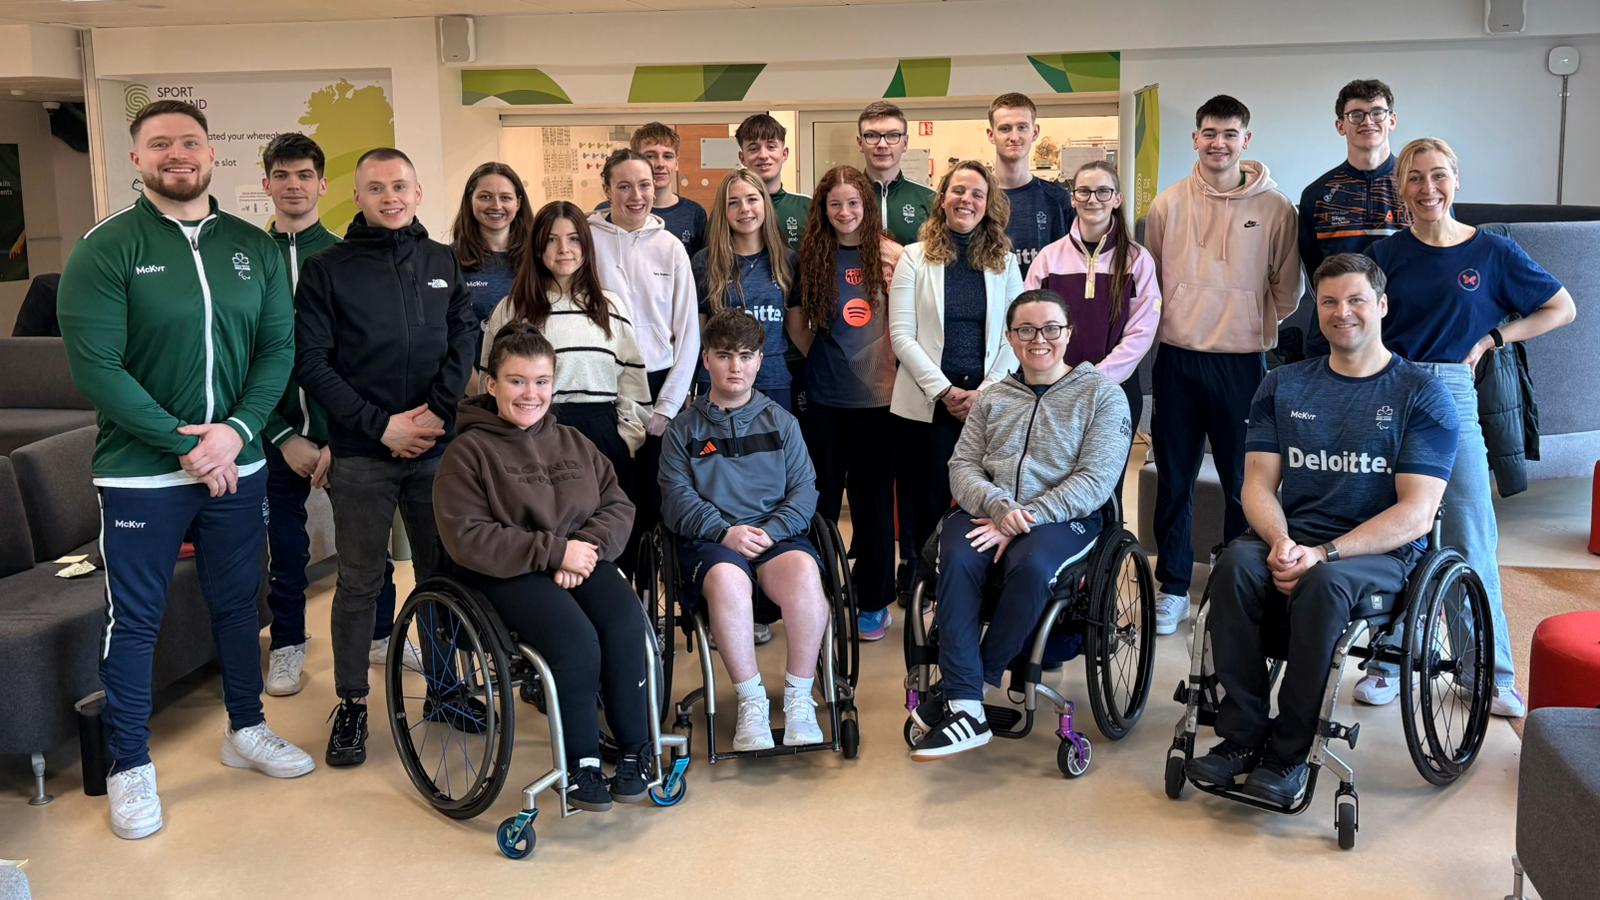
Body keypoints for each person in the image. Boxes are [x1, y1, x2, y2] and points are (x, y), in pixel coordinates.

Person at [58, 100, 315, 840]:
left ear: (211, 154)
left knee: (237, 604)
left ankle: (246, 728)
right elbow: (96, 367)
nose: (178, 153)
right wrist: (181, 443)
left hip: (238, 463)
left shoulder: (252, 247)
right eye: (161, 143)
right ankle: (129, 765)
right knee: (136, 619)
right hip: (141, 473)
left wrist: (234, 434)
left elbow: (277, 351)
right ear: (136, 159)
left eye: (191, 142)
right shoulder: (106, 248)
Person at [1187, 253, 1459, 805]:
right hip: (1296, 534)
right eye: (1329, 302)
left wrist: (1324, 553)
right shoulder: (1282, 385)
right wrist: (1282, 542)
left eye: (1356, 300)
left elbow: (1417, 512)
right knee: (1234, 565)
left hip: (1379, 552)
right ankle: (1241, 737)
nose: (1342, 312)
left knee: (1323, 584)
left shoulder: (1421, 393)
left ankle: (1290, 751)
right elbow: (1257, 485)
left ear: (1382, 306)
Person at [1359, 138, 1576, 717]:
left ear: (1456, 179)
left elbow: (1562, 307)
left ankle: (1488, 673)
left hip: (1454, 391)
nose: (1427, 188)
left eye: (1438, 175)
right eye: (1415, 178)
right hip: (1389, 390)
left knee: (1469, 531)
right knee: (1390, 531)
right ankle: (1387, 660)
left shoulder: (1493, 251)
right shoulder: (1384, 255)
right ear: (1401, 188)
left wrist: (1492, 339)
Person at [294, 147, 478, 768]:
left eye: (400, 186)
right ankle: (352, 704)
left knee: (440, 574)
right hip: (362, 453)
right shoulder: (327, 269)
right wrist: (382, 427)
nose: (390, 197)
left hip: (434, 448)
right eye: (376, 188)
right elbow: (311, 362)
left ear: (418, 193)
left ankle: (445, 690)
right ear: (358, 197)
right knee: (360, 582)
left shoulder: (441, 260)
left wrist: (437, 414)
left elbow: (464, 336)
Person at [434, 323, 653, 811]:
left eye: (541, 381)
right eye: (516, 381)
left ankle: (635, 750)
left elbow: (618, 505)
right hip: (508, 573)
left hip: (580, 558)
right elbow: (468, 537)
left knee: (624, 621)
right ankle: (582, 765)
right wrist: (555, 553)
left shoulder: (573, 442)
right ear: (491, 384)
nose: (530, 394)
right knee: (575, 639)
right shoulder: (468, 452)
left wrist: (584, 547)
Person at [909, 289, 1129, 760]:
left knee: (1031, 566)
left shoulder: (1102, 396)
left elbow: (1096, 479)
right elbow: (962, 465)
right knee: (958, 557)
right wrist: (998, 507)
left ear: (1068, 334)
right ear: (1009, 337)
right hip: (988, 509)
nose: (1038, 339)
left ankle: (966, 689)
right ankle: (969, 709)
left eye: (1051, 328)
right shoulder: (993, 398)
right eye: (1026, 330)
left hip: (1064, 516)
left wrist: (1022, 519)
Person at [1144, 94, 1300, 637]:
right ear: (1195, 138)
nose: (1219, 143)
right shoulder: (1167, 204)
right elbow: (1153, 283)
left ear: (1245, 140)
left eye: (1230, 134)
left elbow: (1287, 289)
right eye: (1209, 133)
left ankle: (1230, 587)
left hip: (1242, 365)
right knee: (1174, 478)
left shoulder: (1276, 208)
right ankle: (1172, 587)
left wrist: (1244, 319)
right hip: (1177, 360)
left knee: (1243, 482)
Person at [257, 132, 405, 697]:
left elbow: (363, 355)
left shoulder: (348, 256)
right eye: (282, 175)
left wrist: (341, 434)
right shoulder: (249, 260)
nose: (293, 186)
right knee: (286, 551)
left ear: (323, 185)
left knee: (368, 548)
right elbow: (240, 356)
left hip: (347, 435)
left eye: (304, 176)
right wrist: (283, 434)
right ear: (266, 183)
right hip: (273, 435)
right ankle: (288, 644)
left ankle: (381, 636)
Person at [659, 309, 830, 750]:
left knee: (805, 573)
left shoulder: (782, 422)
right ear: (706, 361)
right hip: (712, 544)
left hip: (776, 537)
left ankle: (798, 698)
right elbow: (676, 499)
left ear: (759, 361)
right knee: (728, 578)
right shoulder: (683, 430)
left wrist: (773, 530)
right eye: (724, 356)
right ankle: (751, 702)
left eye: (745, 356)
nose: (735, 366)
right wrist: (723, 532)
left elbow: (805, 490)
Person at [888, 159, 1022, 601]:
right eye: (958, 191)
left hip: (987, 400)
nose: (966, 200)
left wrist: (983, 393)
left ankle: (971, 579)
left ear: (988, 204)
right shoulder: (913, 257)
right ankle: (920, 575)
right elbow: (901, 335)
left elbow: (1016, 334)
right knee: (923, 497)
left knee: (980, 495)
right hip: (927, 400)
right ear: (942, 198)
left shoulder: (1004, 261)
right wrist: (944, 391)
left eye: (977, 194)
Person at [787, 165, 898, 640]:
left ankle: (872, 601)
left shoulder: (892, 254)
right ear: (823, 209)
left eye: (853, 203)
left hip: (880, 402)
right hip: (825, 400)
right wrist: (829, 360)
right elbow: (798, 324)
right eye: (835, 204)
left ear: (866, 206)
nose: (845, 212)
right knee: (822, 501)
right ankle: (818, 593)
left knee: (873, 505)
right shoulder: (811, 256)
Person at [480, 200, 649, 490]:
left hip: (602, 438)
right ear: (537, 247)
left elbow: (633, 381)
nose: (564, 249)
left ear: (586, 245)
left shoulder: (611, 306)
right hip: (532, 435)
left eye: (573, 239)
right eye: (551, 240)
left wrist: (627, 439)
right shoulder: (511, 309)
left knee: (607, 518)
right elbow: (489, 381)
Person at [588, 148, 700, 569]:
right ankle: (612, 582)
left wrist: (667, 406)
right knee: (607, 495)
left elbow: (688, 335)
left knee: (652, 499)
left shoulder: (671, 247)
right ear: (606, 189)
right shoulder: (586, 240)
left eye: (645, 185)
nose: (636, 196)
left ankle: (650, 587)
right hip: (603, 386)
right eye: (624, 186)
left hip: (657, 385)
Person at [1025, 161, 1161, 468]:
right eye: (1084, 191)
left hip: (1115, 390)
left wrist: (1095, 379)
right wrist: (1056, 377)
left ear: (1117, 199)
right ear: (1073, 198)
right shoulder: (1048, 258)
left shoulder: (1138, 260)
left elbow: (1141, 332)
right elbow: (1030, 325)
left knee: (1108, 485)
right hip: (1054, 390)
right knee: (1055, 480)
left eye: (1103, 191)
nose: (1093, 199)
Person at [1297, 79, 1406, 358]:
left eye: (1377, 112)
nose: (1367, 121)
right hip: (1337, 331)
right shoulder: (1317, 194)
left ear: (1392, 120)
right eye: (1356, 114)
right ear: (1340, 125)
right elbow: (1314, 269)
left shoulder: (1419, 188)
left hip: (1404, 331)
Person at [693, 170, 800, 411]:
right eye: (733, 202)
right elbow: (697, 335)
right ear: (723, 211)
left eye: (752, 199)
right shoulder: (705, 262)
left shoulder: (787, 261)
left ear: (765, 203)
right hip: (718, 382)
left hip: (772, 380)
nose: (744, 209)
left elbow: (798, 330)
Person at [451, 161, 532, 365]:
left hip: (530, 381)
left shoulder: (538, 258)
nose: (496, 206)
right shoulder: (448, 260)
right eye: (485, 197)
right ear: (470, 200)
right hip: (469, 380)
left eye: (505, 198)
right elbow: (445, 334)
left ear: (518, 203)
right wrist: (474, 381)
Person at [987, 92, 1074, 270]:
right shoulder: (976, 199)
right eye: (1005, 128)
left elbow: (1073, 263)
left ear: (1035, 132)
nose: (1014, 136)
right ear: (991, 135)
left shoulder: (1058, 199)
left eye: (1022, 127)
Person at [596, 122, 708, 258]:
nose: (660, 164)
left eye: (668, 156)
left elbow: (700, 264)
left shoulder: (694, 212)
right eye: (650, 156)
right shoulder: (608, 211)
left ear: (676, 163)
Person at [857, 101, 936, 247]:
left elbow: (940, 253)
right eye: (872, 135)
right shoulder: (841, 199)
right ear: (860, 143)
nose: (882, 145)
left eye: (893, 135)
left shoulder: (929, 199)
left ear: (905, 143)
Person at [735, 113, 810, 252]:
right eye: (753, 148)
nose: (763, 155)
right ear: (742, 157)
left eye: (771, 146)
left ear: (784, 154)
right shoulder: (730, 211)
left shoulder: (807, 207)